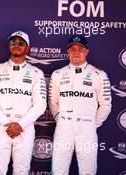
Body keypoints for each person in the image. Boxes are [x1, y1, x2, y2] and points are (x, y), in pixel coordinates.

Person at [0, 31, 47, 175]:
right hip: (2, 127)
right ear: (9, 46)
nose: (16, 45)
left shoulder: (36, 73)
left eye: (21, 43)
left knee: (22, 171)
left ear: (27, 48)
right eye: (13, 42)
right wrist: (6, 123)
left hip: (24, 128)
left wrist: (21, 124)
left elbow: (40, 104)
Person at [49, 35, 112, 175]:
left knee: (88, 171)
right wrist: (61, 119)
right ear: (68, 52)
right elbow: (52, 101)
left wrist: (91, 123)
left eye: (80, 49)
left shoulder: (99, 75)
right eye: (72, 49)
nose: (76, 52)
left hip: (87, 130)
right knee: (58, 170)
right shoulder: (58, 74)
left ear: (87, 51)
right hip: (63, 129)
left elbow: (106, 105)